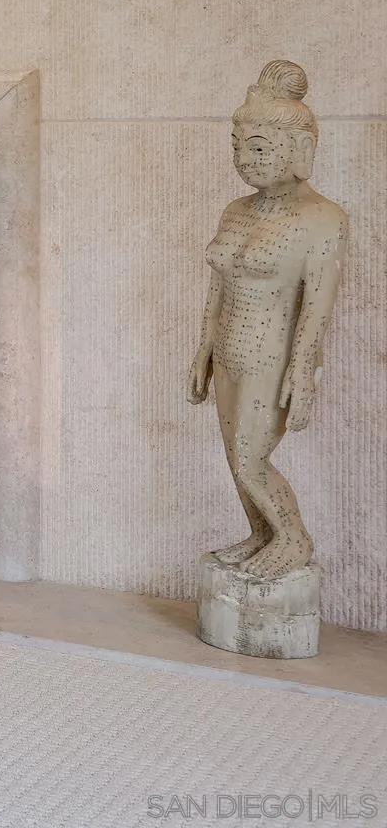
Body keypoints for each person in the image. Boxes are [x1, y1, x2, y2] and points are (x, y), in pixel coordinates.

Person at [188, 60, 347, 580]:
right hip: (229, 350)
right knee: (235, 458)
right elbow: (219, 284)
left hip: (269, 355)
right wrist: (202, 350)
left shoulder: (322, 219)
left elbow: (317, 306)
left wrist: (303, 375)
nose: (244, 160)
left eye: (258, 148)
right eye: (238, 146)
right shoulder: (235, 211)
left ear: (298, 150)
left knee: (252, 459)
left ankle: (293, 539)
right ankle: (262, 534)